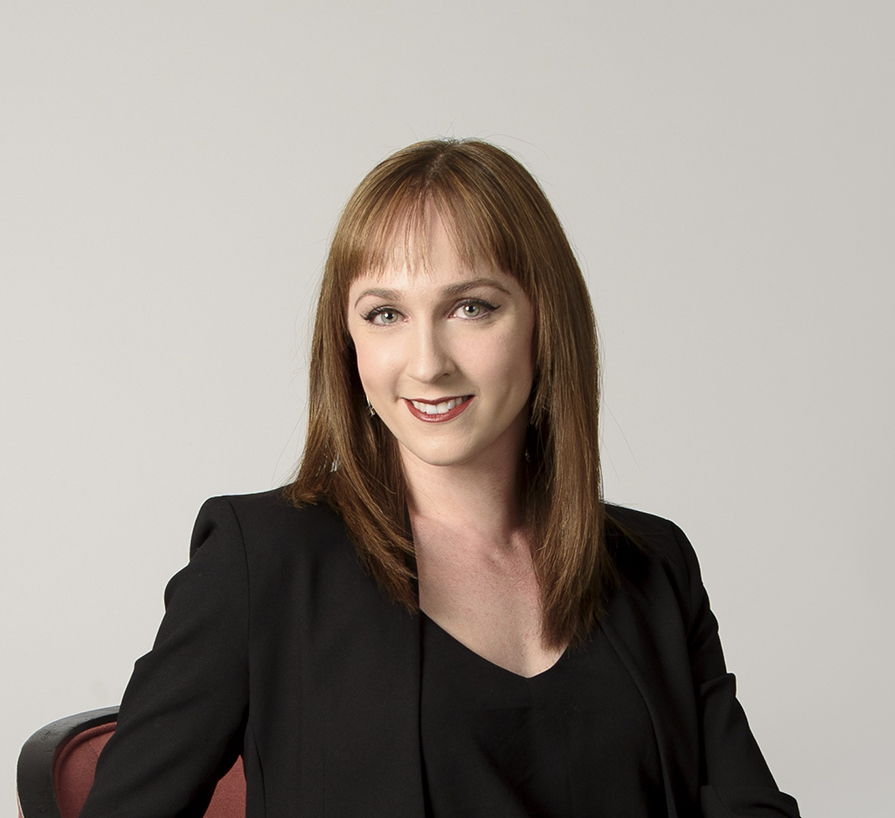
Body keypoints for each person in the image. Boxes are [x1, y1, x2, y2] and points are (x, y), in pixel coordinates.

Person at [81, 139, 800, 817]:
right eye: (385, 313)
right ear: (347, 339)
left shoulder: (653, 565)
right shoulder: (260, 560)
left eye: (470, 307)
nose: (426, 363)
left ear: (543, 322)